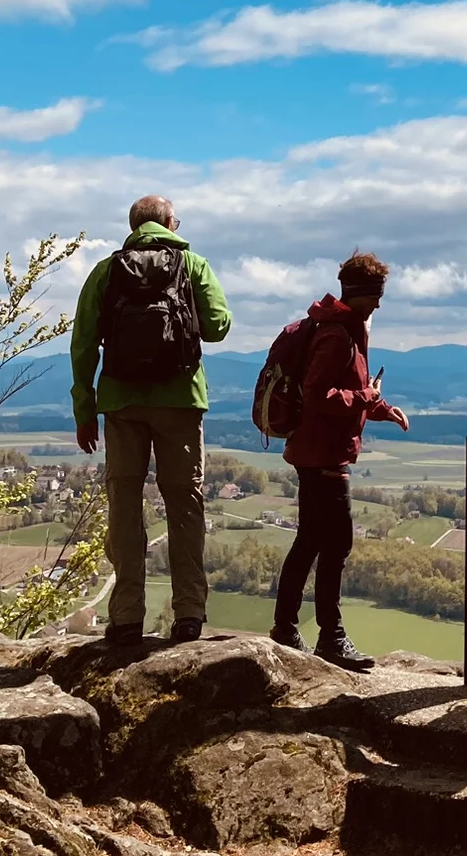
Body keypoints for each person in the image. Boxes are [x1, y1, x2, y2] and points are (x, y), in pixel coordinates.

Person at [71, 195, 234, 647]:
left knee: (124, 507)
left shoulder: (106, 271)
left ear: (133, 226)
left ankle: (125, 617)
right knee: (184, 506)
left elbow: (83, 344)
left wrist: (85, 411)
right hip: (180, 400)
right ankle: (189, 615)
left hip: (121, 403)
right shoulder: (192, 264)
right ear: (168, 223)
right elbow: (218, 326)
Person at [272, 251, 409, 671]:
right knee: (336, 546)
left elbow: (348, 389)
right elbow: (319, 395)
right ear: (362, 294)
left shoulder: (339, 327)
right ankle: (330, 638)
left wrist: (381, 408)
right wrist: (368, 398)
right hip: (324, 454)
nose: (380, 305)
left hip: (315, 451)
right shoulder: (337, 334)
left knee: (311, 542)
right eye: (378, 296)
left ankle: (285, 628)